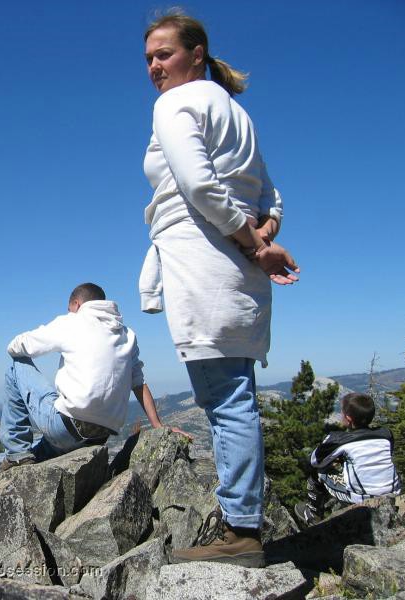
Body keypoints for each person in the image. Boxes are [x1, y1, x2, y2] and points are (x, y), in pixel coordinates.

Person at [139, 13, 301, 568]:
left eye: (164, 53)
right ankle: (241, 523)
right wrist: (262, 237)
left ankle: (241, 533)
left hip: (204, 264)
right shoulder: (235, 112)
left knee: (226, 400)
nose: (154, 66)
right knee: (236, 392)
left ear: (197, 53)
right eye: (148, 58)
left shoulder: (175, 104)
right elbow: (272, 198)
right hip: (238, 273)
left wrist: (253, 244)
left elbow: (198, 185)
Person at [0, 282, 188, 480]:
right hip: (98, 437)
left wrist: (15, 346)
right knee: (39, 451)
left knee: (16, 366)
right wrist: (159, 426)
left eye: (69, 308)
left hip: (67, 427)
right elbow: (138, 383)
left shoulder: (72, 321)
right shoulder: (128, 335)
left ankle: (16, 454)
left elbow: (19, 346)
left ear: (76, 304)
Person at [294, 393, 402, 528]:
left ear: (348, 419)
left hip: (364, 498)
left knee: (318, 473)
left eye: (342, 412)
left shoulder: (340, 440)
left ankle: (313, 514)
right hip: (393, 493)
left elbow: (314, 461)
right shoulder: (386, 434)